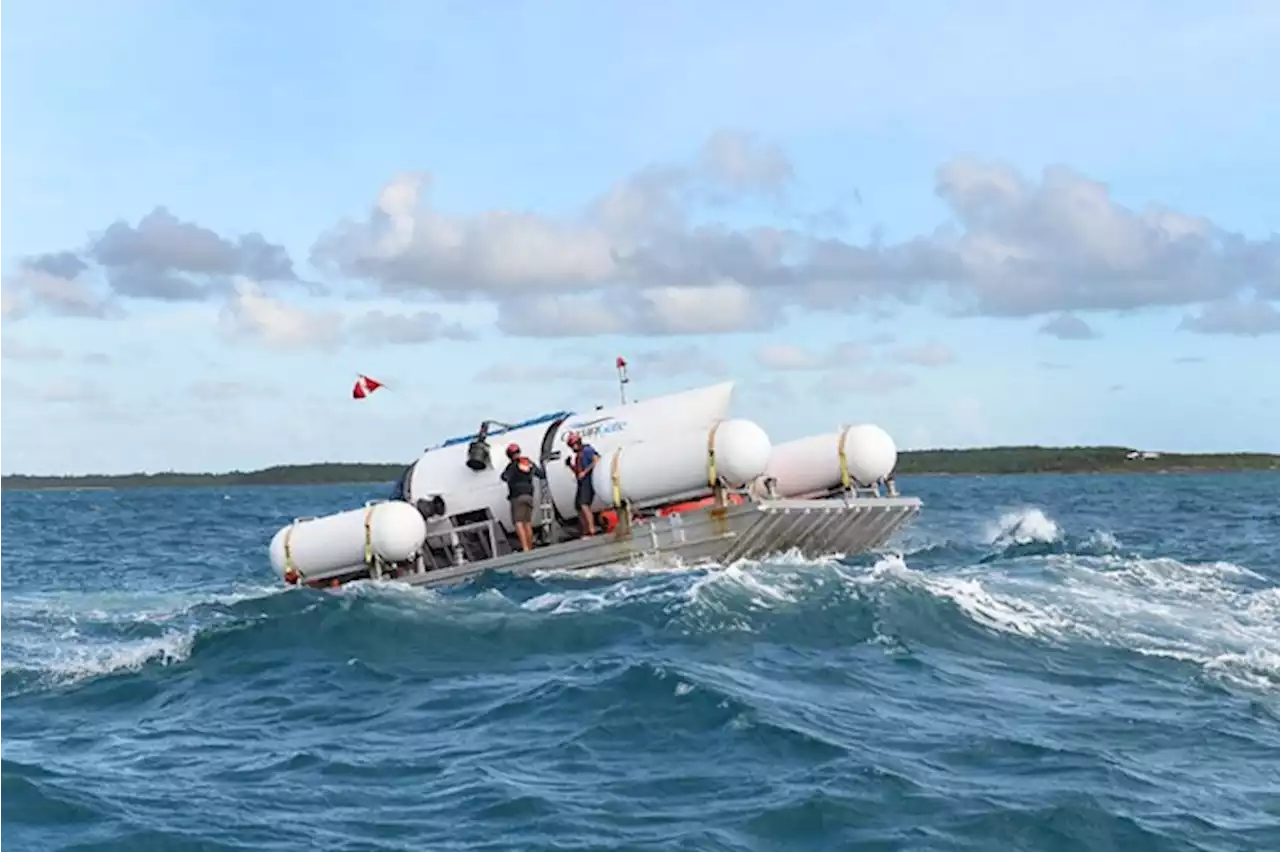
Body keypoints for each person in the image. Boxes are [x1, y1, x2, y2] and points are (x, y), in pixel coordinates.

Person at [500, 442, 545, 552]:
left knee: (518, 522)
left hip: (517, 496)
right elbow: (541, 474)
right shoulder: (527, 462)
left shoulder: (512, 466)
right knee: (527, 522)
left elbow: (504, 477)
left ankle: (525, 548)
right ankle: (530, 546)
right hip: (529, 494)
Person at [565, 431, 599, 536]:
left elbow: (596, 460)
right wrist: (570, 465)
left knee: (584, 505)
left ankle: (591, 529)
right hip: (582, 482)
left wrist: (585, 472)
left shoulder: (587, 450)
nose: (572, 448)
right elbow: (578, 471)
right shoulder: (578, 456)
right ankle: (585, 529)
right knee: (578, 506)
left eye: (573, 445)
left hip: (588, 480)